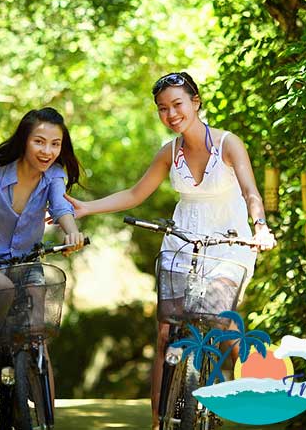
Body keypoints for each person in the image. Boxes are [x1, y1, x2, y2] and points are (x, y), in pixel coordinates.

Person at [63, 72, 276, 428]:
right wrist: (86, 207)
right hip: (182, 240)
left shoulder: (228, 143)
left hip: (229, 241)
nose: (171, 113)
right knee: (166, 333)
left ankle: (229, 389)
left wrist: (261, 227)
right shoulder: (170, 151)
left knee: (217, 321)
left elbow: (251, 192)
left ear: (195, 102)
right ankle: (158, 420)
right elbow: (134, 194)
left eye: (177, 104)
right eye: (163, 108)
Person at [0, 107, 85, 388]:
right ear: (24, 140)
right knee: (1, 288)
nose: (47, 151)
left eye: (55, 144)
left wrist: (73, 234)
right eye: (39, 141)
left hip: (26, 259)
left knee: (38, 330)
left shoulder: (54, 174)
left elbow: (61, 208)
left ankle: (44, 410)